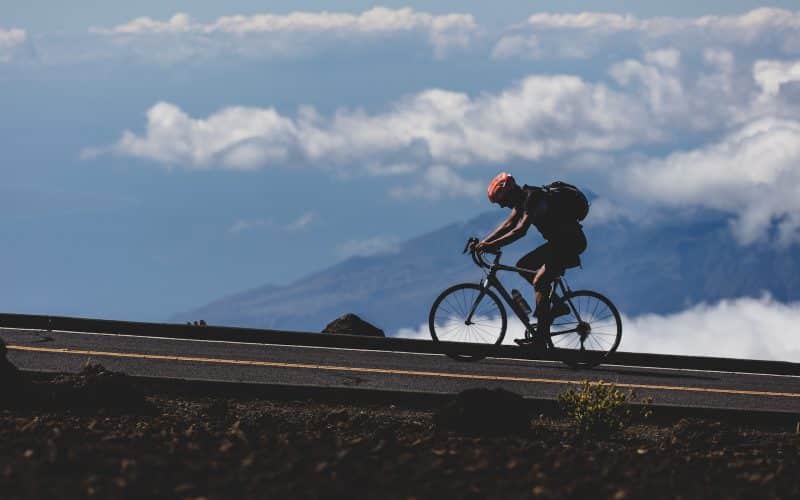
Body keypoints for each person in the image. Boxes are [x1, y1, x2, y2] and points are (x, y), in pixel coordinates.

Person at [474, 172, 587, 344]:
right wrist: (483, 243)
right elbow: (508, 225)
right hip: (558, 243)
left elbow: (520, 231)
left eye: (503, 201)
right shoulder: (522, 200)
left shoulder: (533, 198)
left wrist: (492, 245)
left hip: (570, 243)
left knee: (540, 281)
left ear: (510, 192)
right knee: (524, 266)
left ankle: (541, 339)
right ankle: (557, 305)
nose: (503, 206)